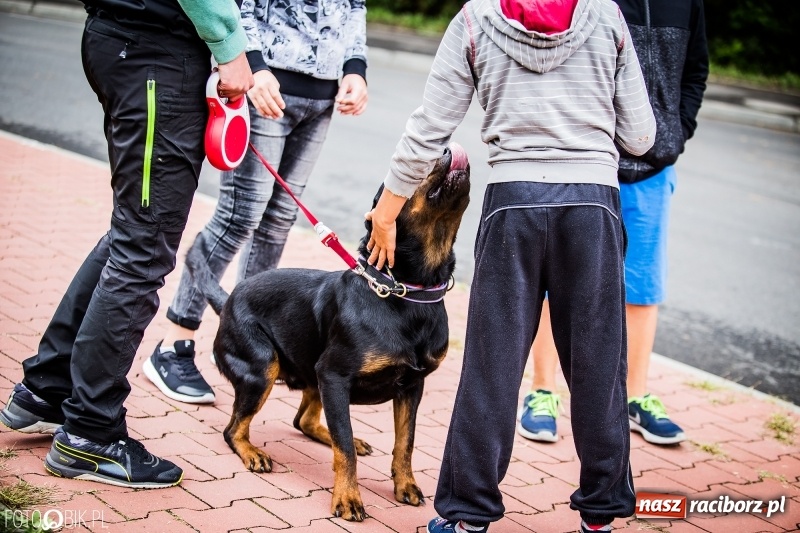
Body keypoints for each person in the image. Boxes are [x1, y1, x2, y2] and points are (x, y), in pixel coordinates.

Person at [366, 0, 655, 530]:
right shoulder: (606, 15)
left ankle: (467, 515)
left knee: (491, 366)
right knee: (599, 367)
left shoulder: (476, 18)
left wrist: (387, 213)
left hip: (512, 203)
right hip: (591, 203)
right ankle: (602, 513)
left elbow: (430, 127)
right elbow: (641, 135)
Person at [0, 1, 253, 488]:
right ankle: (90, 434)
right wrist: (229, 45)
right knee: (143, 247)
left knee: (132, 235)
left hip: (135, 41)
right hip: (155, 49)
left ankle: (49, 389)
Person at [143, 0, 369, 405]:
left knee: (278, 220)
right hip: (263, 81)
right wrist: (252, 63)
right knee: (239, 215)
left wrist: (355, 67)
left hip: (321, 96)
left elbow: (355, 6)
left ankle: (251, 342)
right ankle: (173, 345)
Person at [518, 0, 708, 447]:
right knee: (557, 282)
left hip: (653, 169)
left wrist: (674, 134)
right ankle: (543, 393)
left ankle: (635, 397)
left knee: (642, 287)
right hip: (582, 160)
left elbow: (694, 71)